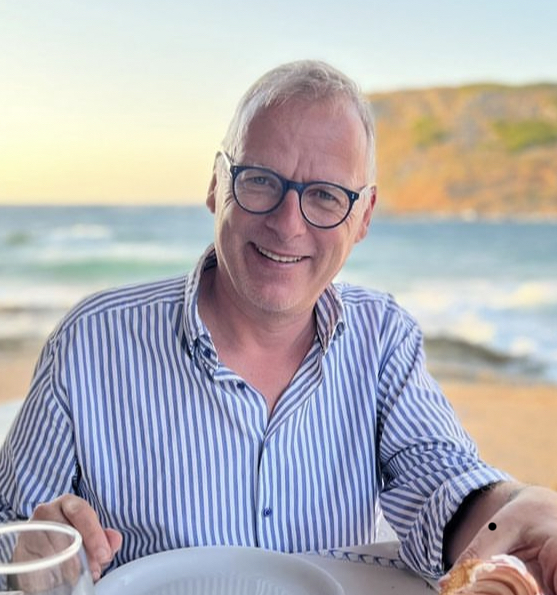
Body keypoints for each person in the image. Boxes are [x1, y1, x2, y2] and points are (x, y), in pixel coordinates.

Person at [0, 60, 556, 593]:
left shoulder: (382, 338)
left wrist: (518, 511)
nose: (288, 224)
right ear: (217, 184)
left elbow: (443, 480)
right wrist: (34, 551)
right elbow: (12, 530)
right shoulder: (90, 342)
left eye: (325, 195)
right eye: (261, 181)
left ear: (363, 216)